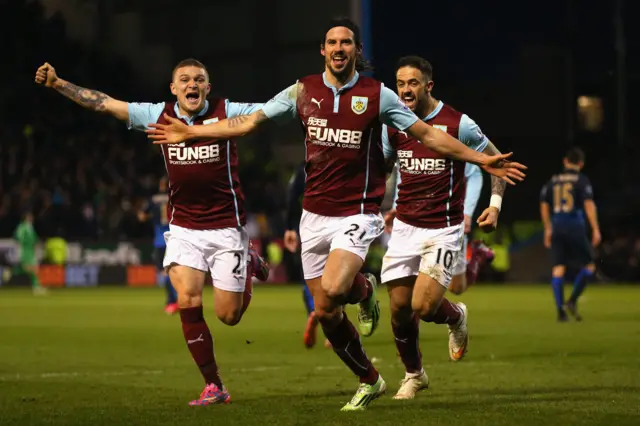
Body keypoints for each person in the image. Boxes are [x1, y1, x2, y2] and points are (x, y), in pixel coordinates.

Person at [146, 18, 526, 411]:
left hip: (357, 214)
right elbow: (248, 122)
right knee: (326, 311)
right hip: (314, 216)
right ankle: (369, 377)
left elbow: (428, 135)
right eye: (332, 42)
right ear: (323, 50)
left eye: (346, 42)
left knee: (333, 288)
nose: (339, 48)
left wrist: (483, 160)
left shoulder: (378, 95)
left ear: (357, 50)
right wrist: (192, 133)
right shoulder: (302, 90)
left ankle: (363, 292)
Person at [34, 58, 270, 406]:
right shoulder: (157, 114)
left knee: (229, 316)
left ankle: (248, 262)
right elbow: (105, 103)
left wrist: (308, 94)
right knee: (187, 299)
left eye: (199, 80)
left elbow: (273, 110)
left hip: (225, 228)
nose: (192, 84)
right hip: (184, 227)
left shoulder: (226, 110)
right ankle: (214, 385)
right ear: (174, 89)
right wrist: (58, 83)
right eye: (185, 80)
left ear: (208, 87)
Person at [380, 56, 513, 400]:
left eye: (412, 83)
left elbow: (497, 163)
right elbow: (383, 169)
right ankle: (414, 375)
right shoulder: (393, 124)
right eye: (400, 84)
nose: (405, 90)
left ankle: (455, 315)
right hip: (406, 227)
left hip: (443, 228)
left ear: (428, 86)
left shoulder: (458, 124)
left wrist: (494, 207)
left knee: (423, 307)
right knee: (398, 309)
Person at [540, 147, 600, 322]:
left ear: (565, 161)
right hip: (575, 227)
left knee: (558, 269)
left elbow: (544, 204)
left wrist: (548, 228)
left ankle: (560, 311)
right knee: (589, 267)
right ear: (581, 164)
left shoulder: (553, 181)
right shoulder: (581, 181)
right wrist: (595, 228)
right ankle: (572, 301)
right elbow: (588, 205)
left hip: (557, 226)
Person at [283, 162, 331, 349]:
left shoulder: (302, 171)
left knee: (310, 279)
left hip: (307, 227)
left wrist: (289, 228)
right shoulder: (338, 163)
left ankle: (314, 311)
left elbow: (290, 198)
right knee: (336, 280)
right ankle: (332, 333)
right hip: (337, 225)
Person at [138, 176, 178, 315]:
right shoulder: (176, 197)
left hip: (161, 240)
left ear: (160, 185)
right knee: (178, 271)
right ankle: (179, 299)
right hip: (176, 238)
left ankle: (172, 301)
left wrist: (152, 217)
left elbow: (141, 216)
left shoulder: (153, 199)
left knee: (164, 272)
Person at [13, 212, 47, 295]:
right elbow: (18, 236)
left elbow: (35, 238)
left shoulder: (30, 227)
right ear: (25, 218)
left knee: (33, 268)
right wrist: (21, 245)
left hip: (31, 250)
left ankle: (36, 287)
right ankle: (11, 272)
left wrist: (37, 244)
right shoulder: (22, 227)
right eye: (29, 217)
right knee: (30, 268)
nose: (31, 218)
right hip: (25, 250)